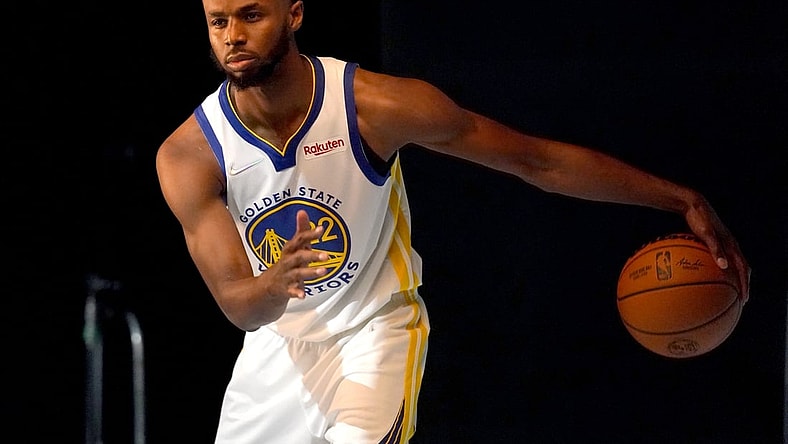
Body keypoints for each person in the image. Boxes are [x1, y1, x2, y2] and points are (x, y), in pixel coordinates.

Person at [155, 0, 751, 442]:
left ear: (294, 14)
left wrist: (678, 198)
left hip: (372, 330)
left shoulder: (375, 107)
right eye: (217, 21)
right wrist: (273, 283)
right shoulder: (190, 154)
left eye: (250, 15)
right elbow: (239, 305)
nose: (232, 36)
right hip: (276, 350)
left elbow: (534, 160)